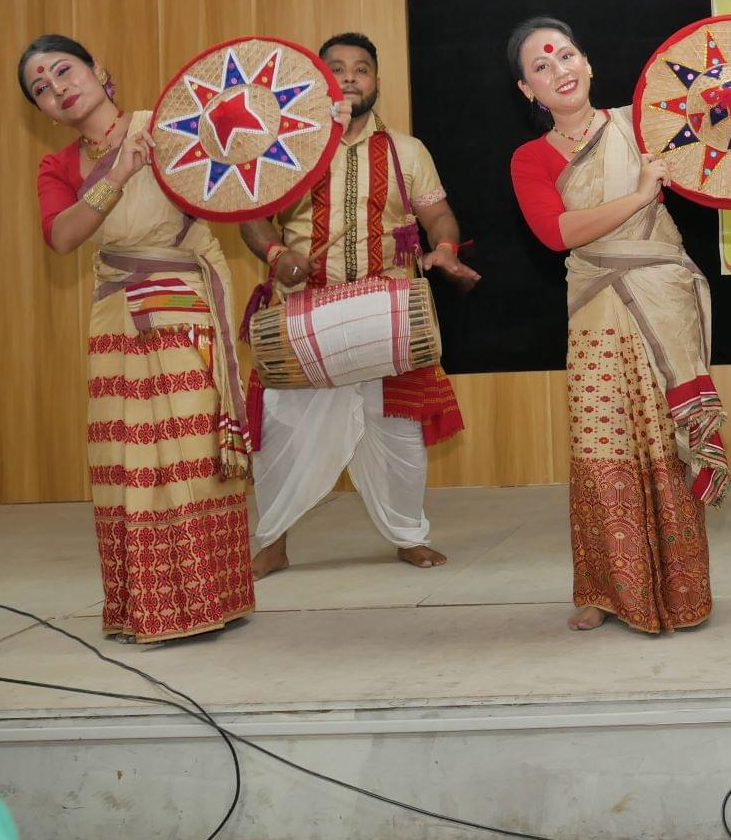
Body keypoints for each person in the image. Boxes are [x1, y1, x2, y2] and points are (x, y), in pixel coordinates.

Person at [25, 34, 254, 641]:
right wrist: (120, 172)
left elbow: (244, 166)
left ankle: (209, 600)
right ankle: (143, 608)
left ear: (101, 71)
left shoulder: (168, 125)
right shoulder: (58, 166)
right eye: (41, 89)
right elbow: (63, 237)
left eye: (64, 70)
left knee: (187, 454)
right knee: (125, 461)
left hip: (184, 304)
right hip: (116, 318)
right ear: (44, 112)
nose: (58, 88)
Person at [508, 17, 725, 633]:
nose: (560, 70)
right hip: (598, 305)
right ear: (529, 91)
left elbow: (724, 114)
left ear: (590, 64)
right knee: (603, 445)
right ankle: (606, 588)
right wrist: (639, 194)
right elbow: (556, 233)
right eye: (541, 67)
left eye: (567, 55)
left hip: (663, 295)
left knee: (666, 441)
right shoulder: (529, 157)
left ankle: (682, 590)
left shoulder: (641, 123)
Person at [241, 32, 476, 581]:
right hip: (305, 315)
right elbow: (252, 216)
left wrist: (443, 250)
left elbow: (438, 217)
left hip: (386, 318)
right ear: (318, 81)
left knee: (397, 432)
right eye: (337, 69)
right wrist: (276, 253)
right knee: (283, 433)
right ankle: (272, 541)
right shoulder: (286, 147)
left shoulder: (406, 150)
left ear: (376, 82)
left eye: (362, 69)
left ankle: (407, 535)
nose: (349, 77)